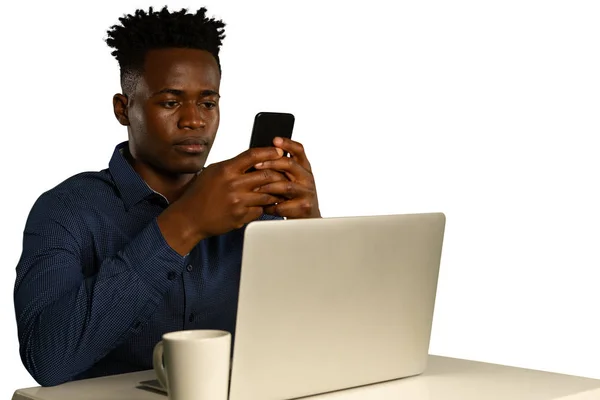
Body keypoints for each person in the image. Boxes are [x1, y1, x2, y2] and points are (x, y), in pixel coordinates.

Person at [13, 6, 320, 387]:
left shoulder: (255, 207)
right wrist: (184, 225)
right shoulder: (64, 211)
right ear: (123, 109)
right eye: (171, 102)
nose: (194, 120)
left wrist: (314, 235)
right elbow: (46, 359)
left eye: (208, 102)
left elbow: (317, 341)